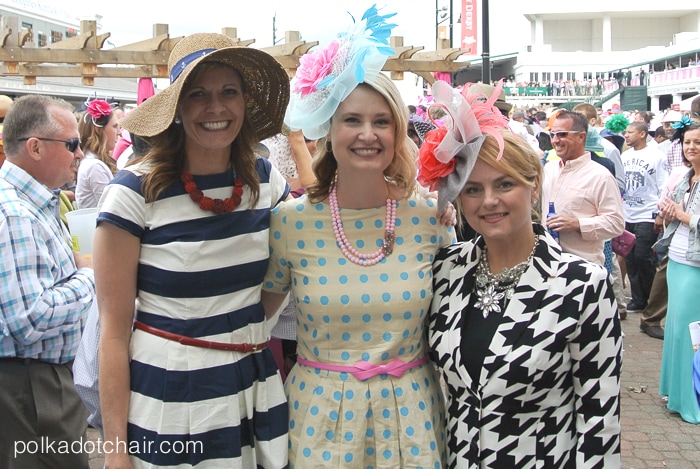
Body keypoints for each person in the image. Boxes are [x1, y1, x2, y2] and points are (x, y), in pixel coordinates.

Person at [261, 7, 454, 467]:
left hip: (414, 418)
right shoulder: (290, 222)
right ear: (329, 127)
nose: (367, 134)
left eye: (381, 121)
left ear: (398, 131)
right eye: (352, 120)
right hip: (318, 419)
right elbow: (254, 326)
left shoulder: (430, 219)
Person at [95, 33, 291, 468]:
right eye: (197, 94)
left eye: (228, 92)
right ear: (178, 108)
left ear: (244, 101)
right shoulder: (132, 193)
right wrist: (115, 452)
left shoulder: (266, 181)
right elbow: (111, 332)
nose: (215, 108)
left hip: (254, 388)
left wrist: (426, 210)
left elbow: (298, 256)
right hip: (172, 400)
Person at [423, 80, 622, 467]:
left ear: (533, 187)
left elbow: (599, 418)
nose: (489, 201)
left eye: (505, 184)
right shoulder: (447, 269)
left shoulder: (583, 285)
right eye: (473, 190)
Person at [0, 94, 95, 468]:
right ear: (35, 147)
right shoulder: (15, 214)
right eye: (71, 144)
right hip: (32, 387)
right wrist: (90, 277)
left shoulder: (31, 204)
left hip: (37, 384)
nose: (79, 154)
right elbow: (29, 318)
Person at [656, 121, 700, 423]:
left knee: (689, 333)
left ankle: (690, 400)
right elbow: (672, 211)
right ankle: (674, 392)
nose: (691, 148)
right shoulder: (685, 177)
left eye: (697, 142)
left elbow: (688, 217)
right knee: (674, 328)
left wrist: (684, 216)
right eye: (687, 142)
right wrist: (668, 213)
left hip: (695, 263)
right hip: (676, 256)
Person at [542, 110, 625, 268]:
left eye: (562, 134)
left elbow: (616, 223)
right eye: (552, 135)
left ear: (581, 136)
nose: (555, 140)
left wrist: (578, 224)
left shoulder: (600, 176)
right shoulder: (549, 169)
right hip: (548, 264)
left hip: (584, 268)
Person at [75, 99, 119, 208]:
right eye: (114, 127)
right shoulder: (94, 166)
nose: (119, 132)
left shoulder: (93, 162)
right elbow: (113, 208)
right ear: (98, 130)